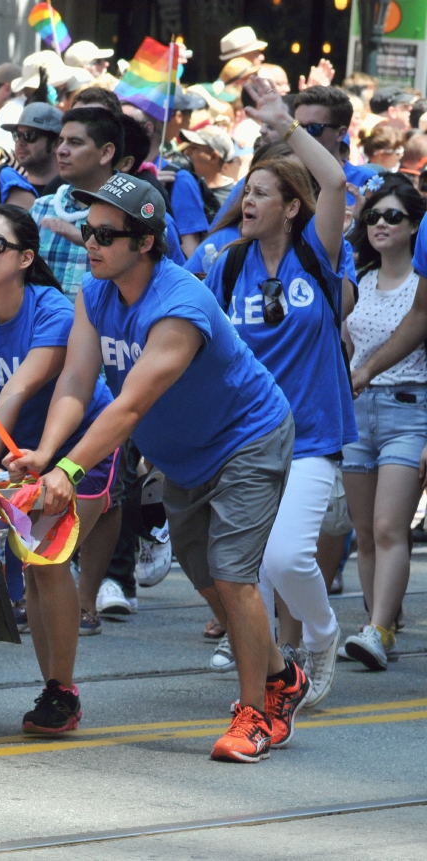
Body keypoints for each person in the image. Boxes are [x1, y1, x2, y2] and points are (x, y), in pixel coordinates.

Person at [10, 170, 302, 763]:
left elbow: (131, 405)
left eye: (106, 235)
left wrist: (68, 472)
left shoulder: (180, 304)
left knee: (232, 575)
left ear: (145, 242)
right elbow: (76, 378)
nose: (89, 243)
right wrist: (46, 453)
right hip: (180, 454)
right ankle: (281, 674)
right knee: (207, 581)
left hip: (247, 437)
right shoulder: (94, 293)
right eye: (88, 230)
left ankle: (255, 715)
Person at [203, 76, 350, 710]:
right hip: (247, 439)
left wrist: (284, 125)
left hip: (313, 433)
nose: (248, 199)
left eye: (263, 192)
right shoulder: (225, 264)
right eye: (246, 190)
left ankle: (322, 638)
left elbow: (337, 183)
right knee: (251, 565)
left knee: (289, 558)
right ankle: (272, 663)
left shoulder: (316, 252)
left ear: (293, 207)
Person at [0, 204, 118, 731]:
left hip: (78, 447)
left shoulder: (51, 308)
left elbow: (19, 386)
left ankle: (62, 692)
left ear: (27, 257)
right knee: (33, 567)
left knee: (49, 560)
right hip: (18, 450)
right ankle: (54, 687)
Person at [341, 173, 425, 671]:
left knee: (391, 526)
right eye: (373, 215)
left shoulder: (424, 287)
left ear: (415, 225)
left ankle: (378, 628)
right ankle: (378, 625)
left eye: (393, 215)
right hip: (357, 412)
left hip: (409, 410)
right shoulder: (360, 281)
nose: (381, 224)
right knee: (364, 531)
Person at [27, 107, 121, 298]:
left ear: (106, 153)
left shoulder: (134, 211)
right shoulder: (41, 208)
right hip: (44, 325)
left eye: (75, 142)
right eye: (60, 141)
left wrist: (87, 240)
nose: (60, 151)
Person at [121, 102, 208, 258]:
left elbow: (190, 253)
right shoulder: (115, 175)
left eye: (125, 123)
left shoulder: (179, 179)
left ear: (147, 128)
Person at [293, 85, 377, 207]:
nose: (303, 135)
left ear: (341, 133)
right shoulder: (281, 175)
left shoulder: (366, 180)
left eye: (314, 128)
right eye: (297, 128)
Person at [2, 102, 63, 197]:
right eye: (17, 135)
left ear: (56, 144)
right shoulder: (9, 191)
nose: (20, 142)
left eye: (29, 135)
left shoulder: (71, 194)